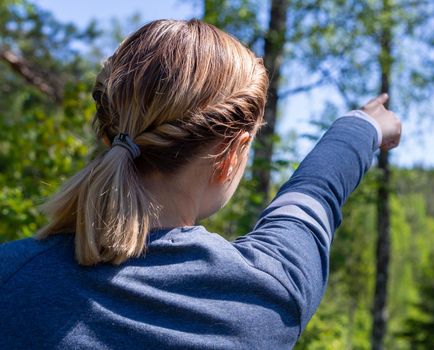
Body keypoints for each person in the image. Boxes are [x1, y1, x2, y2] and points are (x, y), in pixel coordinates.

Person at [0, 19, 401, 349]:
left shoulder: (10, 278)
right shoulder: (261, 297)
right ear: (230, 156)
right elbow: (310, 202)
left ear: (109, 132)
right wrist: (362, 126)